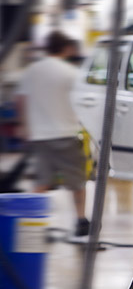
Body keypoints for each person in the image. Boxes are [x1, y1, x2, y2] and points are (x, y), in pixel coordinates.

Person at [16, 31, 90, 236]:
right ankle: (80, 221)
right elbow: (82, 103)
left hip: (40, 136)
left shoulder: (32, 71)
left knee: (41, 182)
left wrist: (25, 126)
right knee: (76, 181)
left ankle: (31, 225)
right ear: (65, 48)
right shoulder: (70, 72)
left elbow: (21, 100)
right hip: (66, 133)